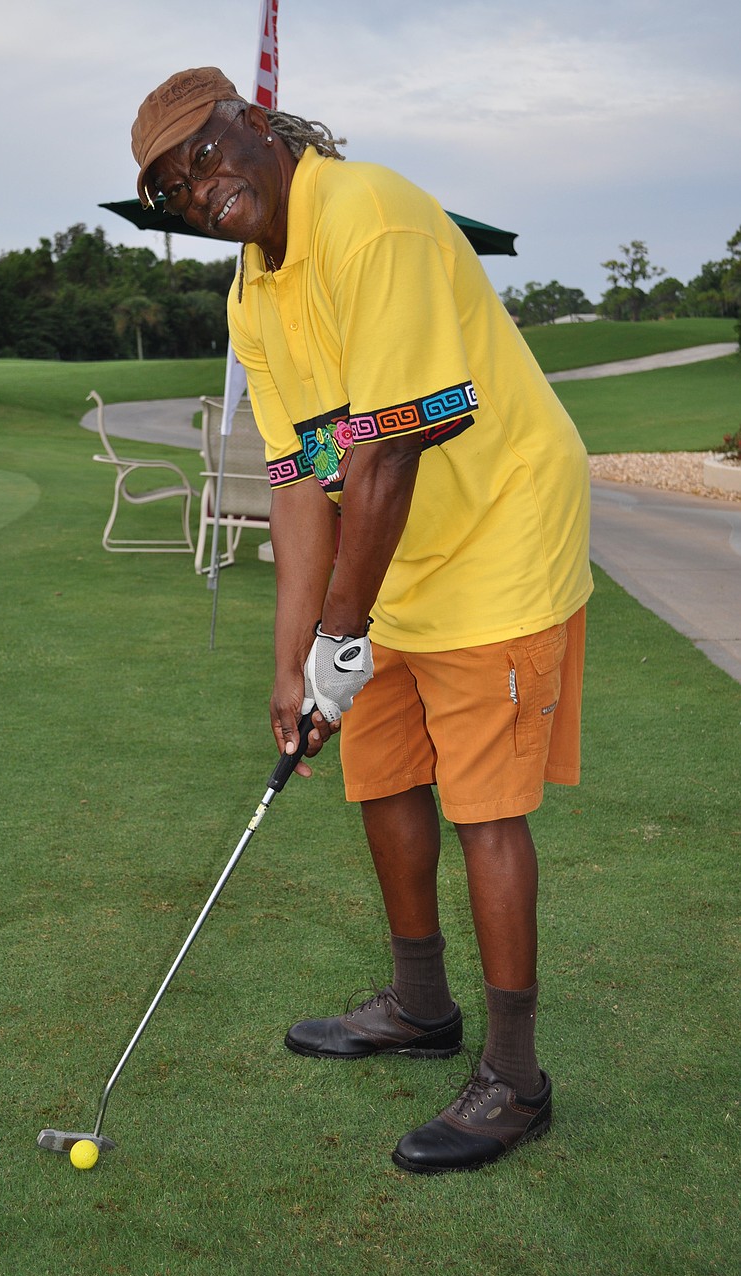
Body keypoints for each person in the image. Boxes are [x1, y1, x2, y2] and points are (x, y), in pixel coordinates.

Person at [131, 67, 593, 1175]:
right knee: (379, 772)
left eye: (200, 156)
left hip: (496, 537)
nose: (195, 190)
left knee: (483, 804)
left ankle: (516, 1078)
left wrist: (343, 634)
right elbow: (303, 480)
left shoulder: (370, 217)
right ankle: (422, 1008)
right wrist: (296, 664)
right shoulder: (252, 291)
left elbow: (389, 445)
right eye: (167, 191)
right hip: (392, 557)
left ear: (253, 124)